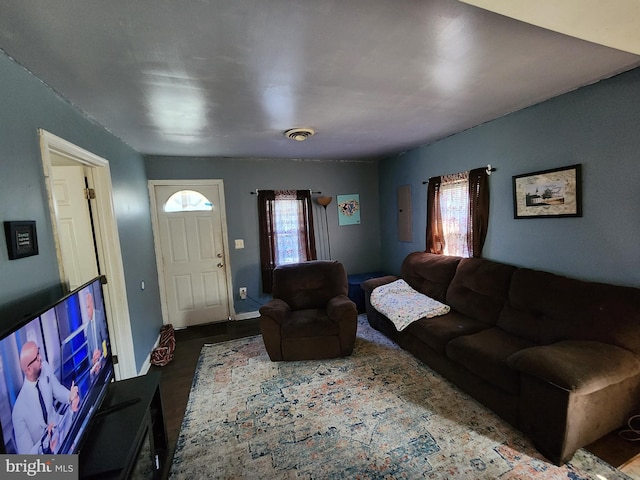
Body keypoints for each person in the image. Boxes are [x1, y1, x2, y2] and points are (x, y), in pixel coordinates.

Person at [12, 341, 80, 454]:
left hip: (63, 429)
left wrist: (70, 396)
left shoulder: (45, 368)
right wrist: (45, 443)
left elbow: (58, 391)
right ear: (28, 370)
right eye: (36, 358)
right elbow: (26, 456)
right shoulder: (18, 412)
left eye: (39, 353)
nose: (41, 358)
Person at [83, 289, 108, 377]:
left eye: (88, 307)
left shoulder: (100, 316)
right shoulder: (88, 329)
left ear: (92, 305)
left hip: (104, 360)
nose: (87, 312)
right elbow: (89, 354)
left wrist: (101, 353)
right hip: (95, 368)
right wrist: (93, 362)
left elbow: (105, 339)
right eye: (86, 308)